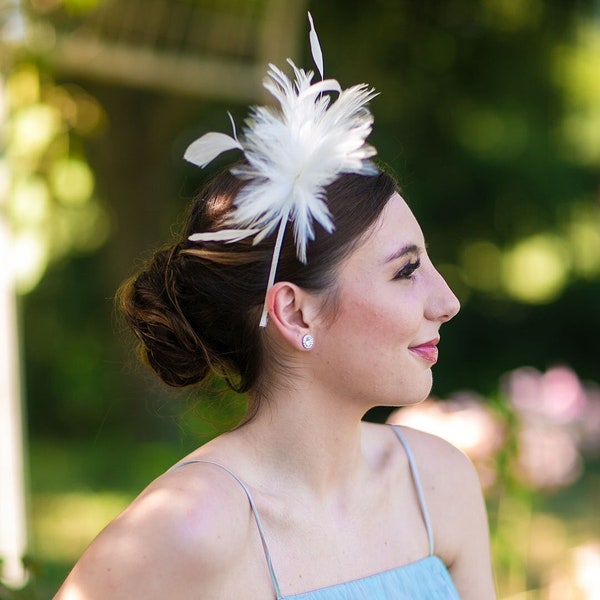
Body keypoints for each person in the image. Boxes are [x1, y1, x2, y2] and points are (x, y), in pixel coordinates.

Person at [55, 14, 496, 600]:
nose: (447, 301)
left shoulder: (438, 483)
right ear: (294, 312)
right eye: (406, 270)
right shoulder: (193, 525)